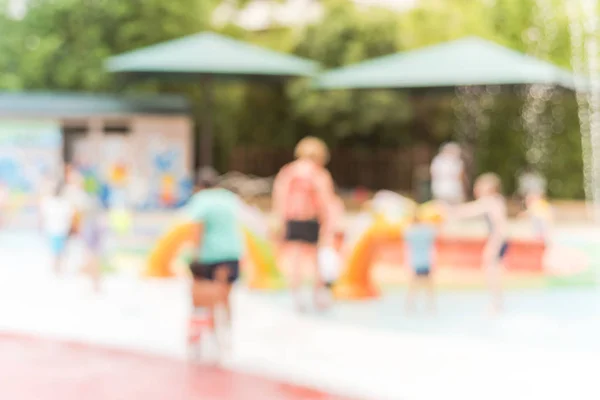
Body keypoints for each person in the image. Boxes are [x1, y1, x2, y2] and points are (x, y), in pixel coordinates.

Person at [184, 167, 243, 360]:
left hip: (210, 255)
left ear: (199, 186)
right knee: (225, 296)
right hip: (232, 253)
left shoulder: (201, 200)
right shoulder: (229, 198)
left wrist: (194, 256)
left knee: (204, 299)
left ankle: (209, 338)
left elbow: (197, 230)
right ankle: (227, 334)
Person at [272, 137, 336, 312]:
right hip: (311, 218)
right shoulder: (318, 173)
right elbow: (326, 200)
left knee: (295, 258)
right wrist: (328, 223)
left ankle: (296, 296)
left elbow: (280, 197)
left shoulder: (289, 171)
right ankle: (319, 296)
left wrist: (279, 220)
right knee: (316, 260)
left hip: (293, 219)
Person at [446, 173, 508, 314]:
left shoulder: (490, 200)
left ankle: (496, 304)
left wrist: (450, 211)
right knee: (492, 270)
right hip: (500, 238)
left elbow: (470, 211)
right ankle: (497, 302)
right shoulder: (497, 200)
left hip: (497, 238)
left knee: (490, 270)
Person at [404, 205, 440, 314]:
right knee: (429, 286)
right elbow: (435, 233)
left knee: (413, 285)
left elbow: (407, 247)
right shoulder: (427, 230)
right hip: (426, 260)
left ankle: (410, 306)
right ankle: (431, 306)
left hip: (415, 261)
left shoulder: (410, 231)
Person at [40, 181, 75, 275]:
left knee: (56, 252)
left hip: (55, 230)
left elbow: (42, 216)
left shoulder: (49, 201)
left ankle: (57, 269)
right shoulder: (63, 203)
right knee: (59, 252)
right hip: (60, 230)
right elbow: (70, 216)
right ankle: (58, 269)